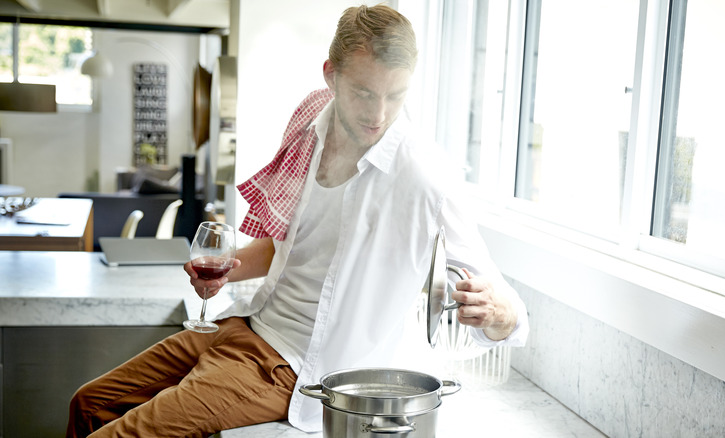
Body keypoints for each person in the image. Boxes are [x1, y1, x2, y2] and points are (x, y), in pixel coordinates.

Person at [67, 4, 529, 437]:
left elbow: (508, 313)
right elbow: (290, 241)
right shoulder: (312, 118)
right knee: (87, 403)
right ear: (331, 76)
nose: (379, 114)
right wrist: (229, 269)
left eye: (396, 95)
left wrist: (499, 312)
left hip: (293, 368)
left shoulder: (424, 176)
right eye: (364, 93)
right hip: (244, 325)